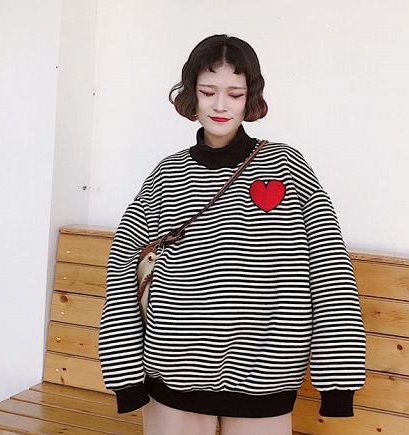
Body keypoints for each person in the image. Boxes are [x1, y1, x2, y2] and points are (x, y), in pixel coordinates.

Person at [99, 34, 366, 435]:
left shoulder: (287, 166)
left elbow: (330, 269)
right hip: (174, 374)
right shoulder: (167, 174)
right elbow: (123, 265)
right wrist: (125, 376)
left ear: (250, 97)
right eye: (208, 92)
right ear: (192, 94)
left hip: (266, 380)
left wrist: (338, 382)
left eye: (235, 94)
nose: (220, 105)